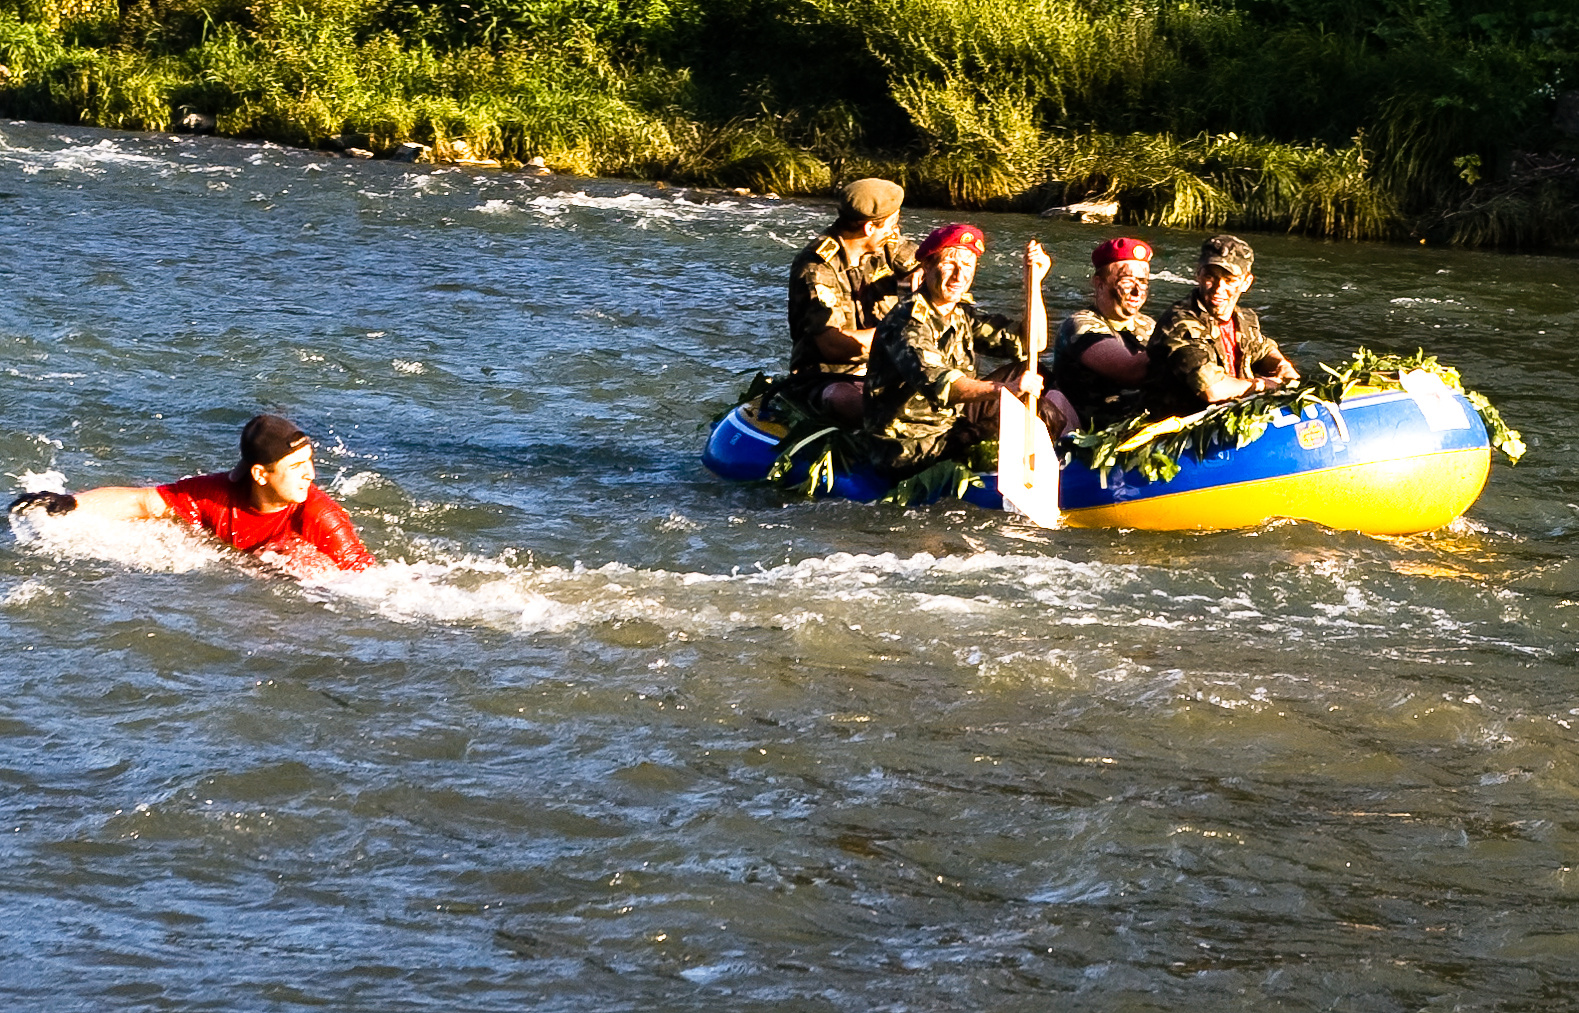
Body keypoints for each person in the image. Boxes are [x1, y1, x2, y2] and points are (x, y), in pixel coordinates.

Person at [8, 414, 375, 572]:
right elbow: (142, 502)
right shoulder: (215, 494)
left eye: (309, 462)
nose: (309, 474)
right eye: (295, 467)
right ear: (260, 474)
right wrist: (69, 503)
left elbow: (367, 579)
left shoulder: (319, 516)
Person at [861, 223, 1074, 477]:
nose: (959, 275)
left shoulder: (961, 313)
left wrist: (1034, 283)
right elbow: (943, 386)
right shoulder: (907, 322)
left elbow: (1033, 343)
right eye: (950, 263)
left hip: (951, 423)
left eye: (968, 265)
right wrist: (1009, 389)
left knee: (1033, 374)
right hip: (910, 445)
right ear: (927, 266)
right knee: (1029, 415)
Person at [786, 177, 919, 426]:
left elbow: (924, 263)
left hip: (884, 367)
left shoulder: (884, 243)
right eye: (893, 224)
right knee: (844, 399)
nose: (896, 231)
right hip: (827, 375)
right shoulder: (818, 267)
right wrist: (900, 331)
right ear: (869, 228)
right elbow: (833, 345)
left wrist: (926, 274)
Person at [1144, 234, 1300, 418]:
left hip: (1228, 417)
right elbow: (1212, 389)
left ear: (1246, 283)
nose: (1218, 288)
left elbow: (1263, 349)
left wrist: (1281, 364)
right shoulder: (1179, 323)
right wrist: (1263, 385)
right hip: (1178, 429)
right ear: (1198, 274)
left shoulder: (1245, 319)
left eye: (1230, 280)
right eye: (1211, 277)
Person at [1050, 237, 1156, 429]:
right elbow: (1129, 370)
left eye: (1143, 281)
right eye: (1127, 280)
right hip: (1090, 436)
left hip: (1140, 428)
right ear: (1100, 284)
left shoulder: (1149, 325)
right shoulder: (1080, 325)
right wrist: (1179, 347)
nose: (1137, 291)